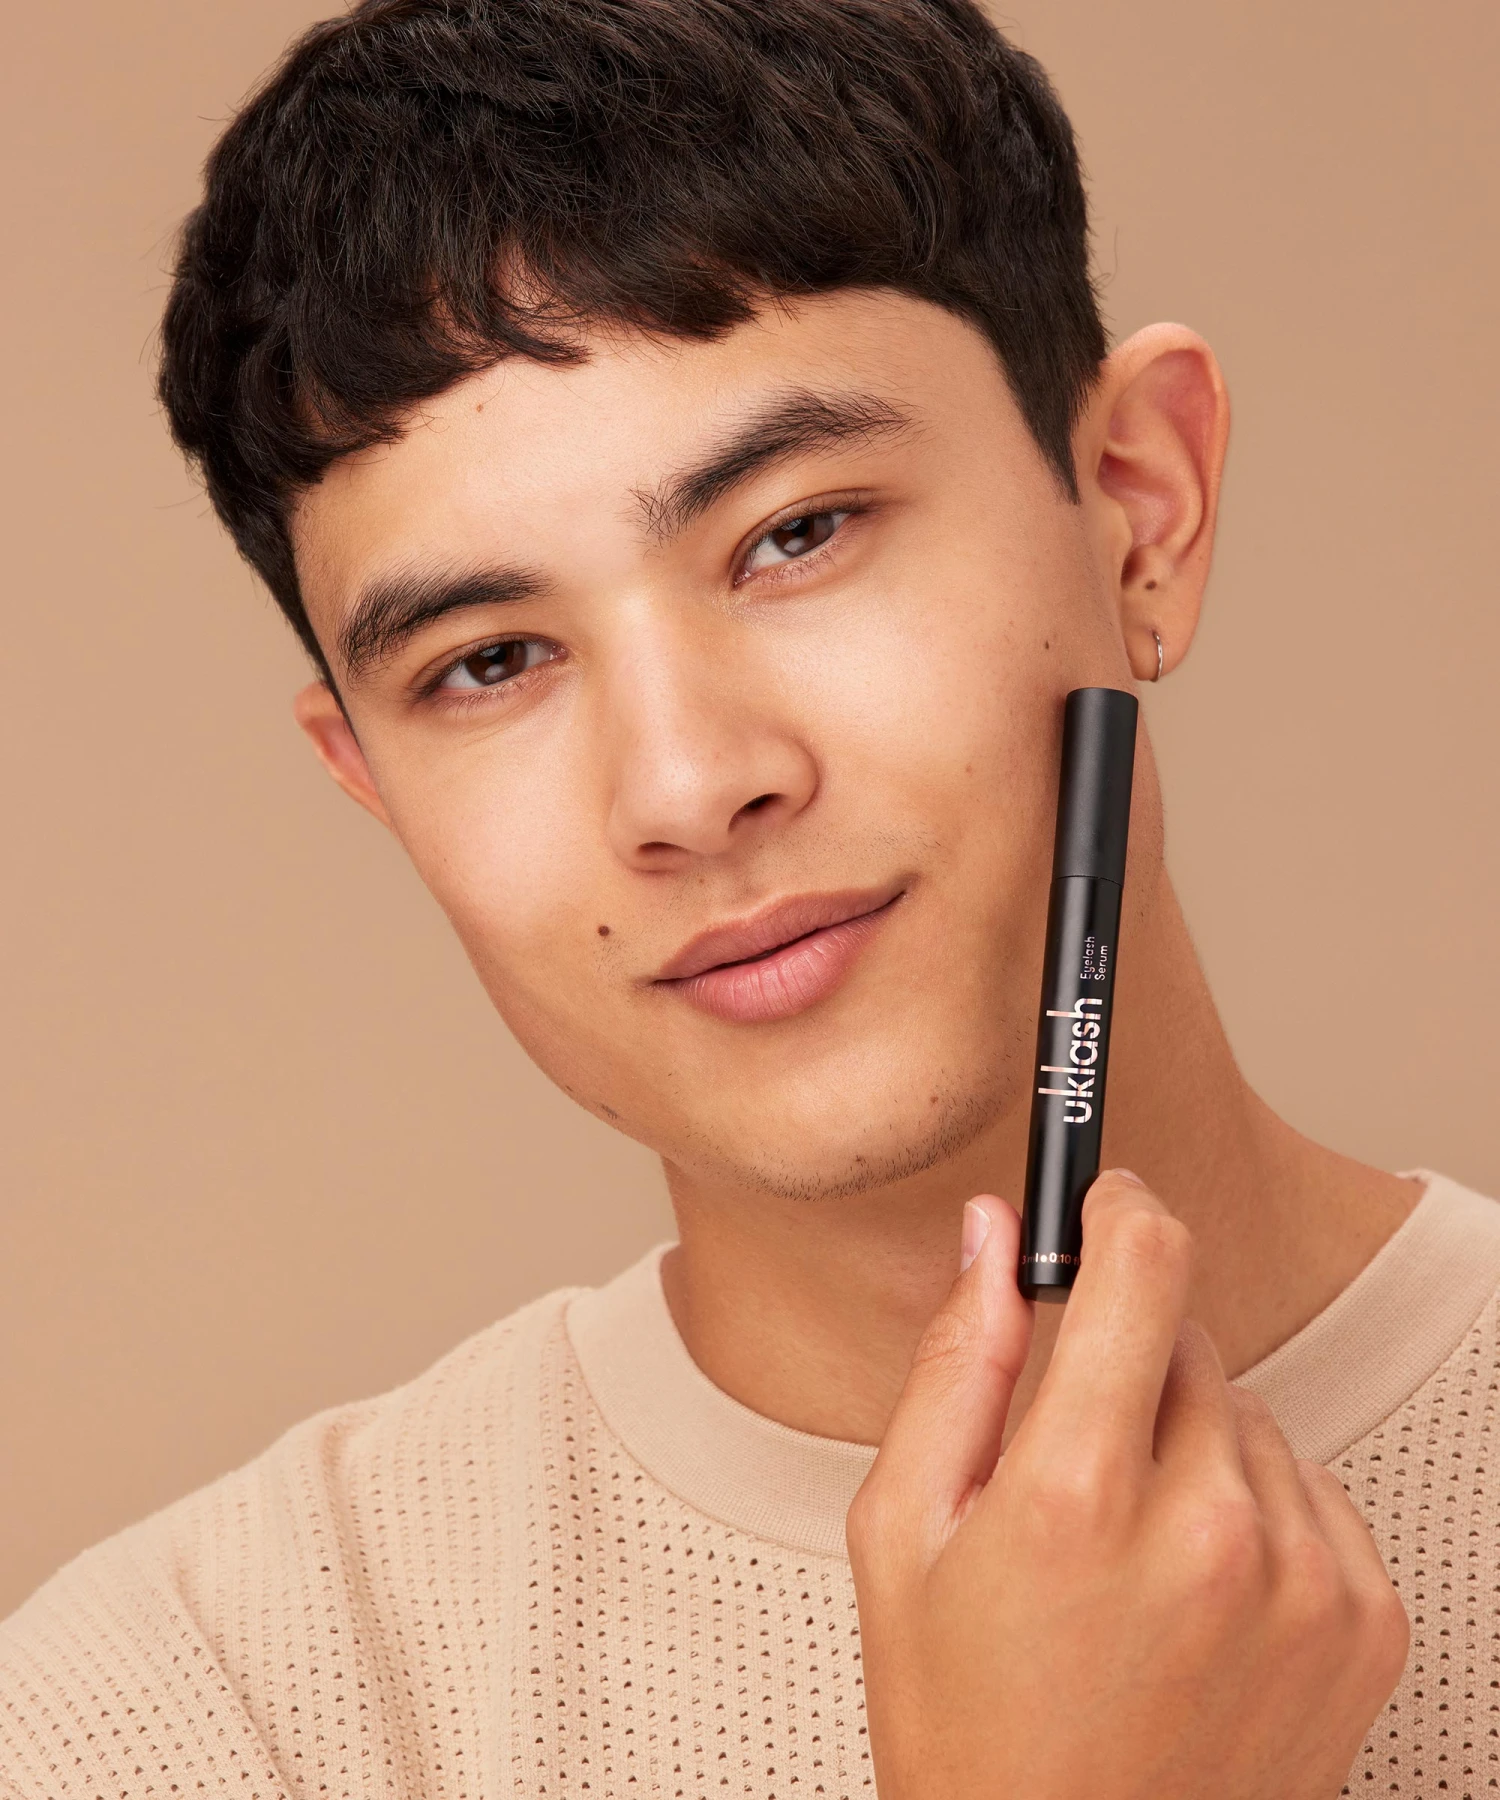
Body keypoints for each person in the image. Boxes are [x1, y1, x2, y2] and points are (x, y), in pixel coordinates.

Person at [4, 0, 1492, 1792]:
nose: (691, 786)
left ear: (1139, 505)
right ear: (374, 780)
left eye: (796, 534)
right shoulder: (176, 1717)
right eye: (490, 662)